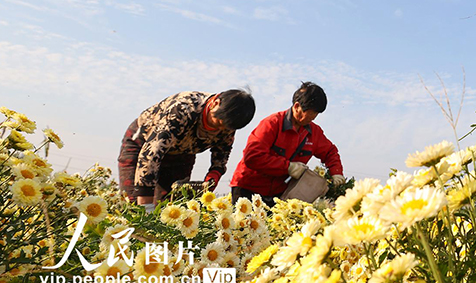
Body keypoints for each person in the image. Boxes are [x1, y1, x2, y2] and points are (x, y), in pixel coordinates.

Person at [118, 89, 255, 210]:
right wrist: (145, 206)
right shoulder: (183, 109)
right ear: (215, 103)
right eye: (218, 123)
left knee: (171, 209)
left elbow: (221, 156)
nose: (220, 131)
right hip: (143, 144)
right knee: (134, 206)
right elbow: (152, 154)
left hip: (181, 155)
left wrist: (212, 178)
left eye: (226, 128)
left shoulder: (227, 124)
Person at [229, 82, 345, 205]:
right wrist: (288, 167)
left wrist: (336, 172)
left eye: (316, 115)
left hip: (278, 193)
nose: (313, 118)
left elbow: (330, 152)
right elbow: (252, 156)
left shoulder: (314, 132)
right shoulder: (272, 124)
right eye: (310, 115)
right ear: (296, 107)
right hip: (248, 188)